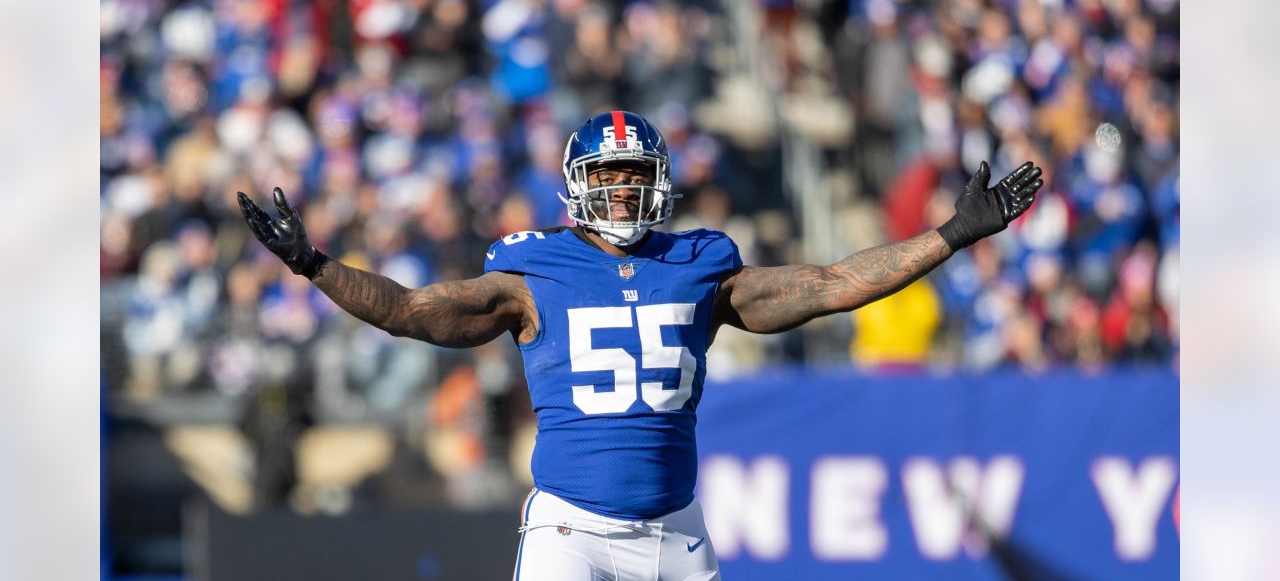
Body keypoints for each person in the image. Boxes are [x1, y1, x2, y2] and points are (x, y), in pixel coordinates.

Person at [238, 110, 1042, 580]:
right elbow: (410, 310)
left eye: (633, 173)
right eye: (608, 175)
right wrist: (314, 265)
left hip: (677, 530)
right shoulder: (532, 270)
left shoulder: (700, 265)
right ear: (578, 184)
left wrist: (952, 235)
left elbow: (834, 282)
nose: (622, 187)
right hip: (570, 531)